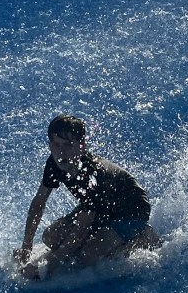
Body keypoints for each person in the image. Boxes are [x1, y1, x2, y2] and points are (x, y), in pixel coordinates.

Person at [14, 115, 161, 280]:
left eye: (69, 145)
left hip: (131, 210)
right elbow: (38, 203)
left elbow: (80, 230)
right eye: (56, 144)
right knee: (51, 236)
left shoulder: (92, 174)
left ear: (81, 146)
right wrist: (26, 246)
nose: (61, 151)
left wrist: (48, 266)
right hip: (101, 208)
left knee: (87, 257)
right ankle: (107, 237)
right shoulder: (54, 164)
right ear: (50, 145)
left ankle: (143, 237)